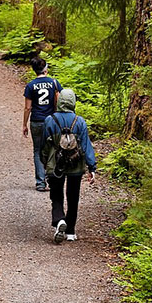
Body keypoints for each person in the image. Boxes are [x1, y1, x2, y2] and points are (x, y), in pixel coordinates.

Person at [42, 88, 96, 243]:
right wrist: (92, 167)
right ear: (73, 102)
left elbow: (44, 145)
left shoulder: (50, 120)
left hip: (55, 164)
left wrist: (45, 163)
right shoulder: (79, 121)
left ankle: (59, 220)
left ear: (59, 102)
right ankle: (71, 231)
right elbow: (86, 146)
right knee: (73, 197)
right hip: (76, 165)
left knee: (56, 195)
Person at [22, 56, 62, 191]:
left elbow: (28, 107)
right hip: (52, 121)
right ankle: (53, 180)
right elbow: (58, 102)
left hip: (37, 121)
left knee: (38, 150)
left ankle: (40, 182)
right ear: (45, 69)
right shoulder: (54, 83)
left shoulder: (30, 85)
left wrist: (24, 124)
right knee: (53, 149)